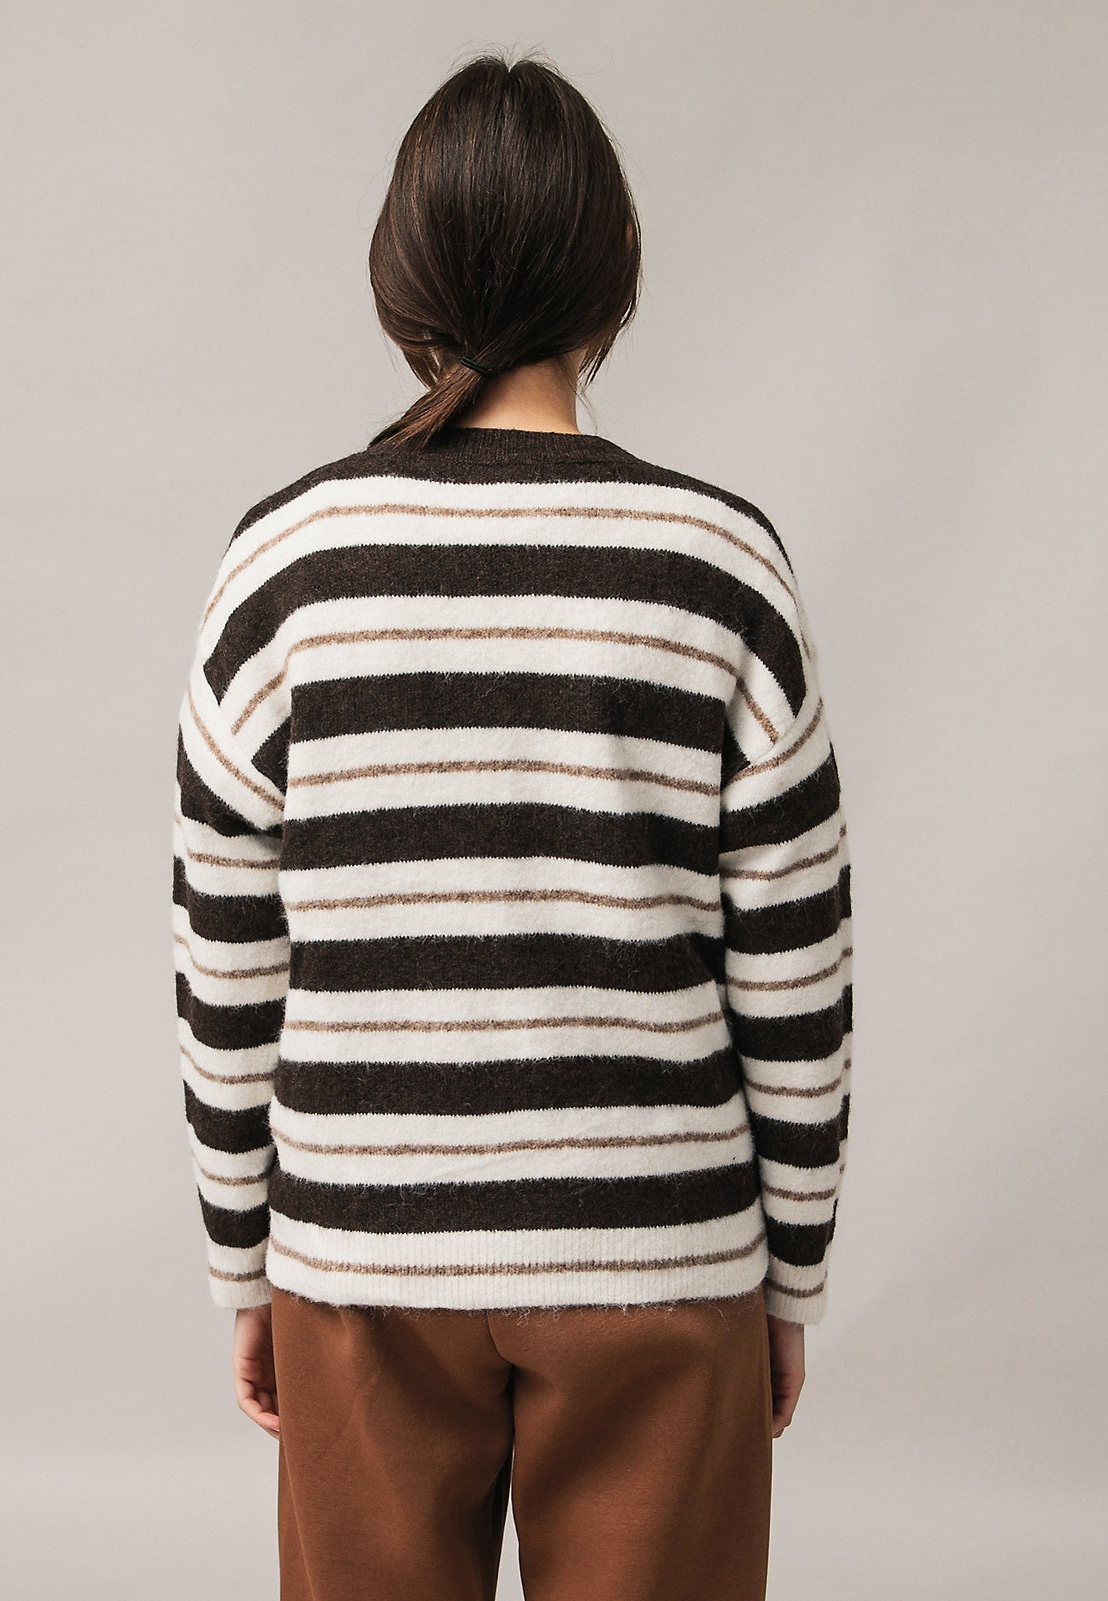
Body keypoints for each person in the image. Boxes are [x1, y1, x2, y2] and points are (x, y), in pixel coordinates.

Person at [172, 47, 854, 1601]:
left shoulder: (282, 568)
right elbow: (795, 968)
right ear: (616, 273)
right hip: (660, 1256)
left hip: (360, 1259)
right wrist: (788, 1272)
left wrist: (243, 1258)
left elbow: (225, 957)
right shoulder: (718, 566)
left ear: (399, 283)